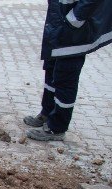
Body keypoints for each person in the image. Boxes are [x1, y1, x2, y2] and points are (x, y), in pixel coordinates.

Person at [24, 0, 112, 141]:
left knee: (65, 78)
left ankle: (56, 128)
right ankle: (47, 113)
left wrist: (75, 19)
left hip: (74, 29)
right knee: (51, 68)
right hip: (59, 20)